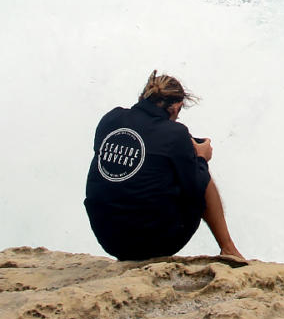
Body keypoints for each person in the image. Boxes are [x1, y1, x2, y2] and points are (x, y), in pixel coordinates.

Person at [85, 71, 243, 261]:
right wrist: (200, 158)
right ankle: (228, 248)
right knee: (201, 175)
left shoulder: (111, 119)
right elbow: (195, 189)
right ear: (176, 107)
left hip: (107, 236)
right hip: (152, 243)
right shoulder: (175, 134)